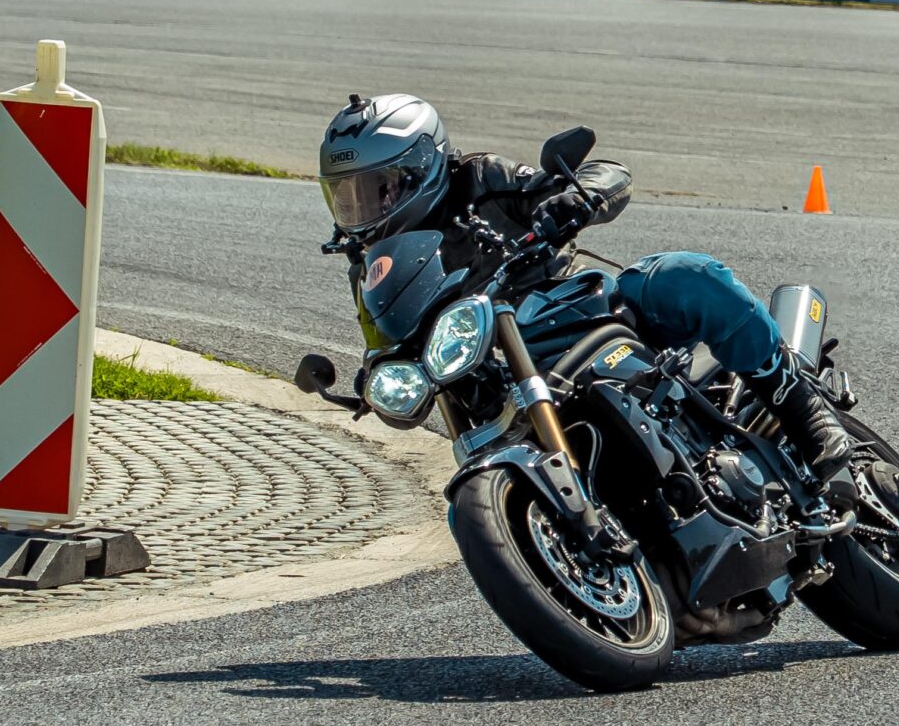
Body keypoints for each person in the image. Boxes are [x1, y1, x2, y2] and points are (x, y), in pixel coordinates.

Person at [316, 92, 855, 482]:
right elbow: (386, 347)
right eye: (347, 196)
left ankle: (803, 411)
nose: (364, 209)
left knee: (687, 275)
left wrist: (576, 198)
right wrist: (376, 376)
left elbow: (606, 174)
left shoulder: (478, 181)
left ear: (423, 167)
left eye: (378, 189)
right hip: (492, 385)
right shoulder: (369, 267)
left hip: (576, 315)